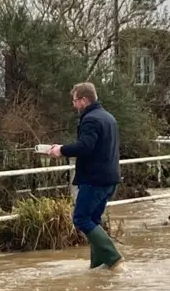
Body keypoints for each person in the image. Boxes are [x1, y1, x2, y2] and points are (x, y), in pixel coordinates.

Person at [47, 82, 124, 271]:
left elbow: (85, 147)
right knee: (93, 220)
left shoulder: (90, 120)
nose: (73, 106)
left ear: (83, 100)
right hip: (110, 178)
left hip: (94, 179)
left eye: (74, 101)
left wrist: (61, 150)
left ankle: (113, 257)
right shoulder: (108, 117)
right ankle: (98, 265)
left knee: (81, 218)